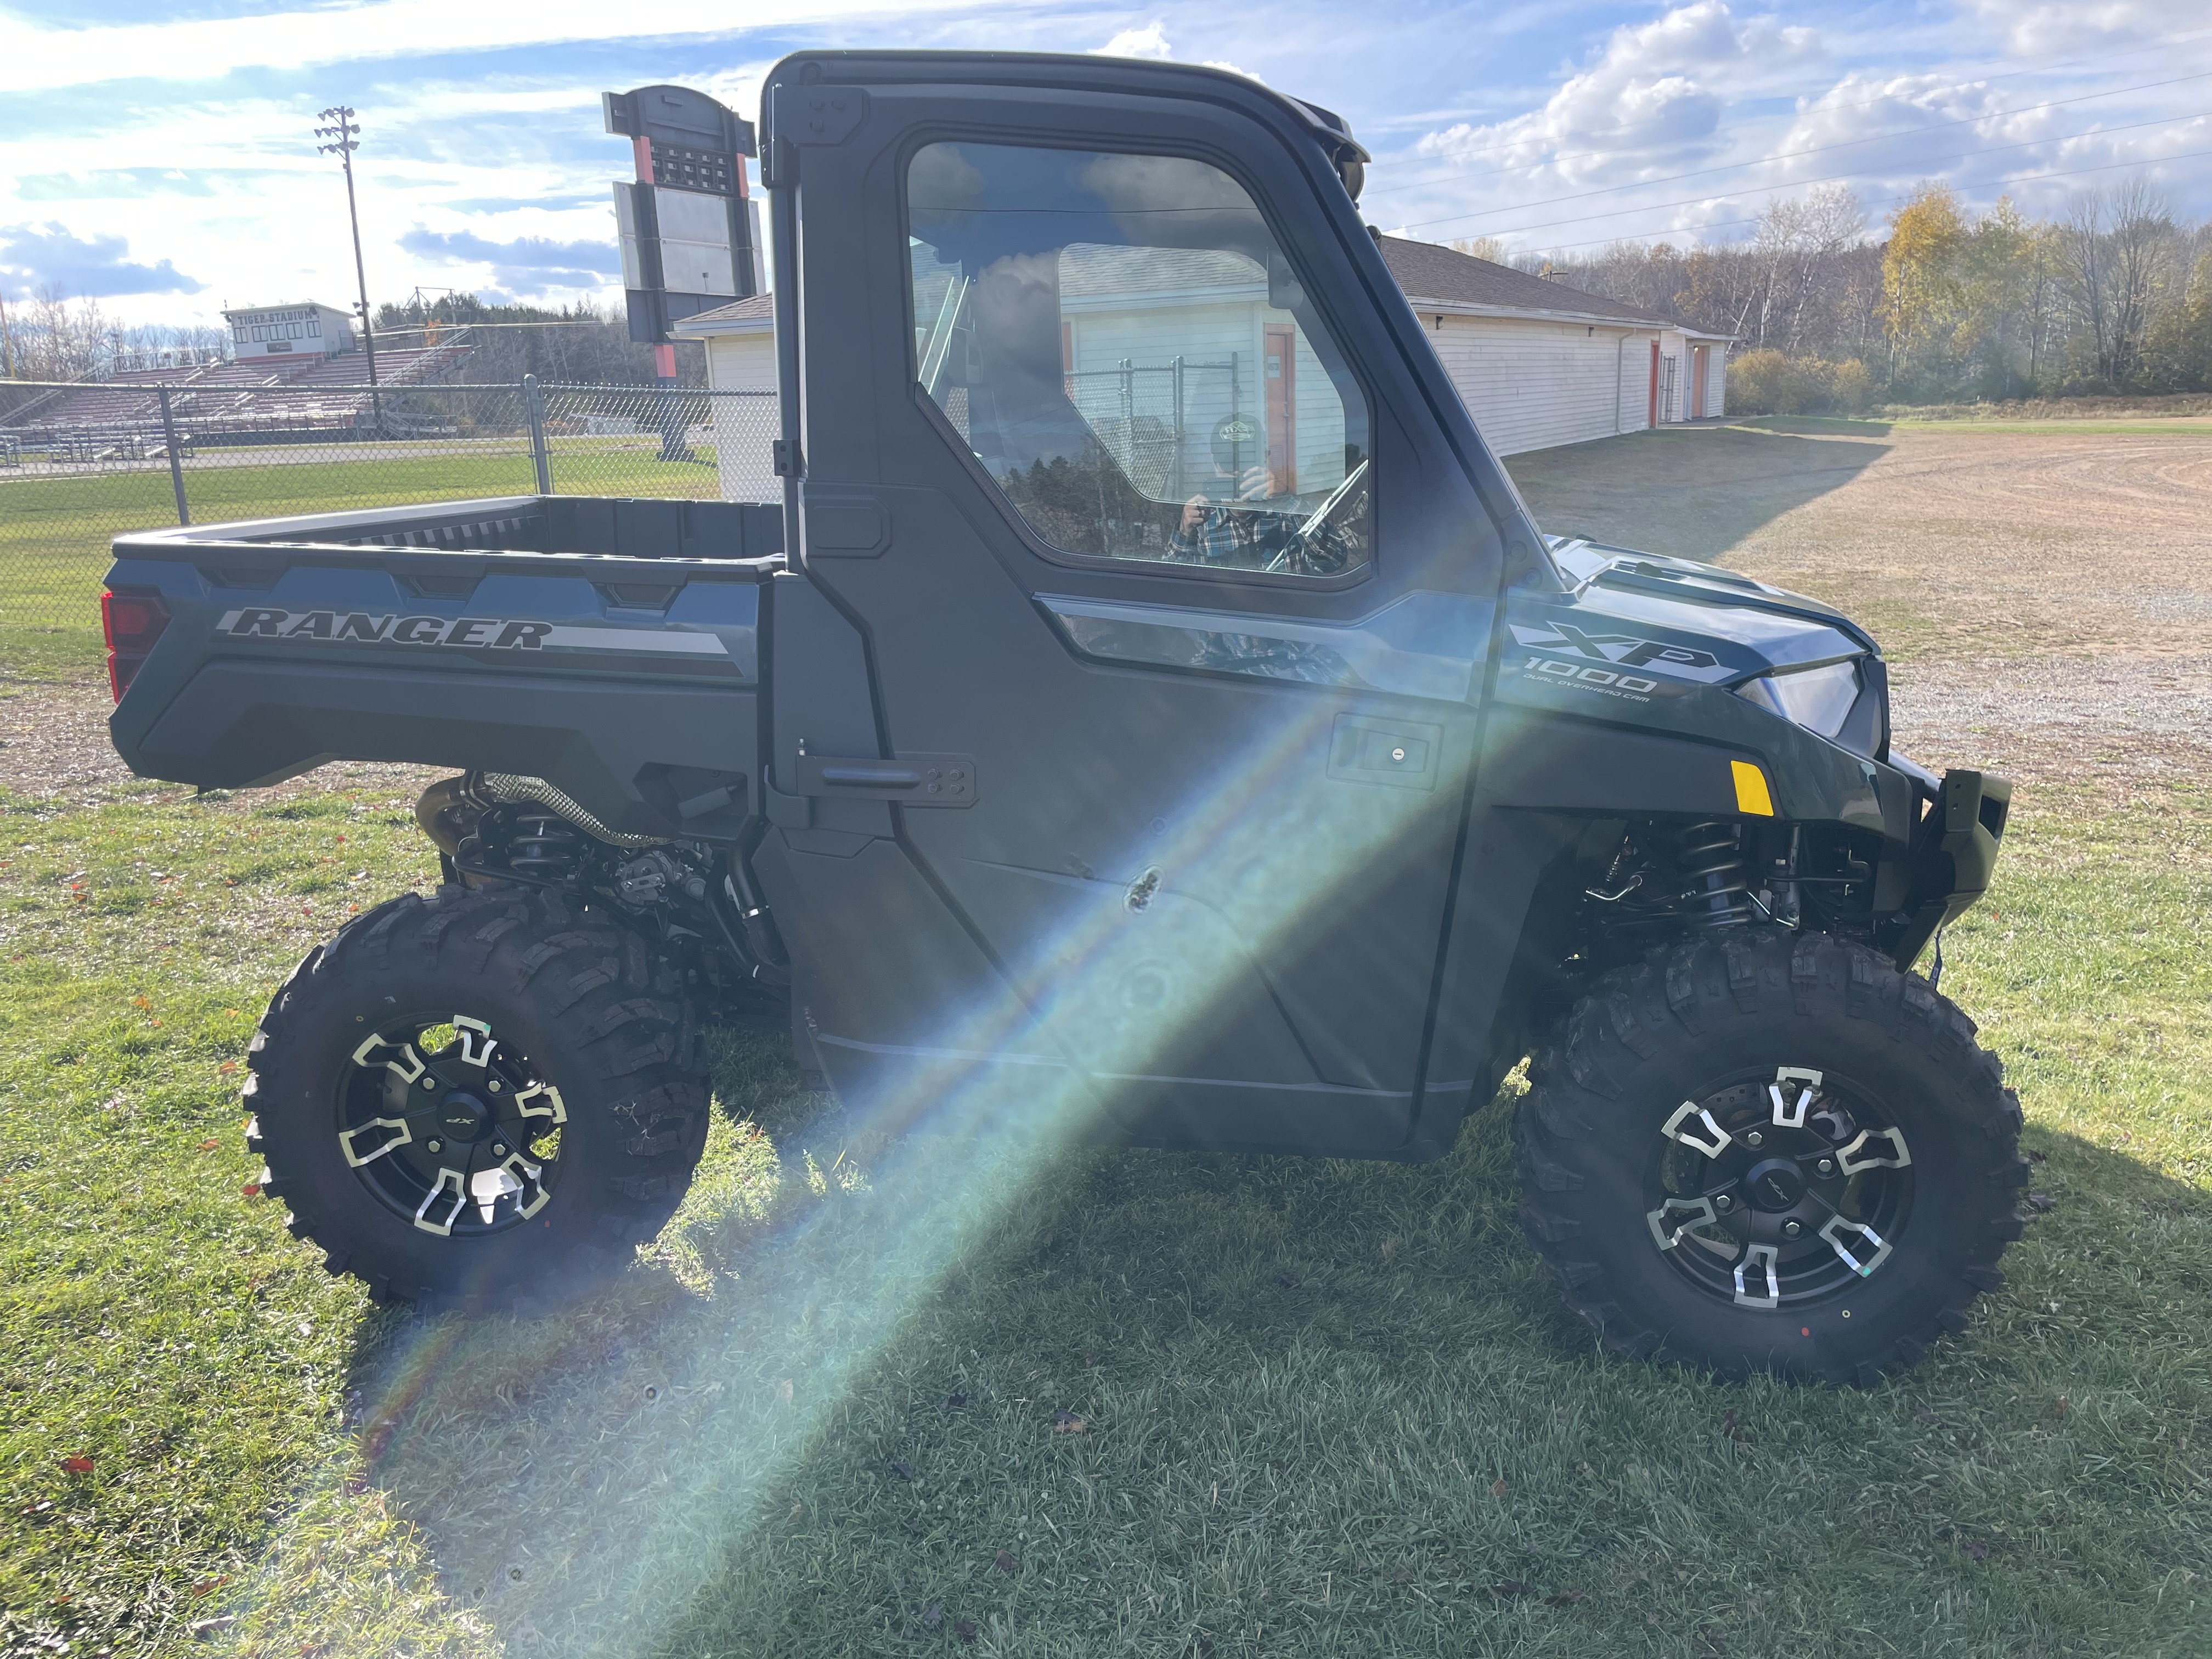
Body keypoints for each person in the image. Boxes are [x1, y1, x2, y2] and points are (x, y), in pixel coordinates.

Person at [1165, 464, 1356, 575]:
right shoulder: (1200, 523)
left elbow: (1334, 562)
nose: (1236, 475)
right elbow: (1173, 584)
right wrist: (1185, 530)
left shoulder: (1289, 514)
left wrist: (1286, 501)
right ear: (1216, 467)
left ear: (1263, 461)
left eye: (1245, 465)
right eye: (1228, 465)